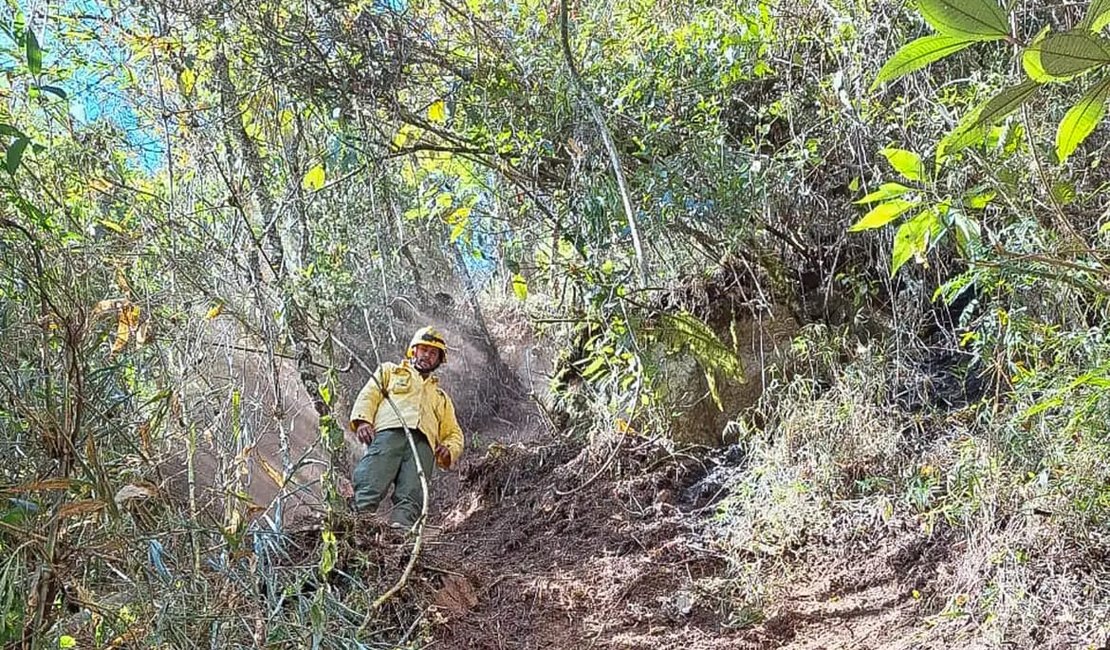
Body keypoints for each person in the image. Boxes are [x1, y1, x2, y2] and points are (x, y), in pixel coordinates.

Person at [349, 326, 464, 530]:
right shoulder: (389, 371)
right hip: (389, 434)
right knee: (371, 478)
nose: (427, 356)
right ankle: (357, 526)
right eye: (424, 350)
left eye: (433, 353)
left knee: (412, 493)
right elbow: (369, 394)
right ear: (414, 350)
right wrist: (363, 421)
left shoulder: (441, 398)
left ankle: (399, 538)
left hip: (423, 448)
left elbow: (454, 433)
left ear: (438, 361)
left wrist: (448, 449)